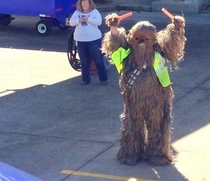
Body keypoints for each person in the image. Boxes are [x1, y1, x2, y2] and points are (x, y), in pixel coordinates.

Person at [69, 0, 108, 85]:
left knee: (98, 60)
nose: (85, 5)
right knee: (84, 62)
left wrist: (88, 19)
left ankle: (103, 79)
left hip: (94, 40)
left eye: (86, 3)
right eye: (83, 3)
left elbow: (99, 22)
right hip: (81, 41)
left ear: (90, 3)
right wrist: (79, 20)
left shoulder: (95, 12)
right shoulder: (77, 12)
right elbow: (71, 22)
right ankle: (86, 80)